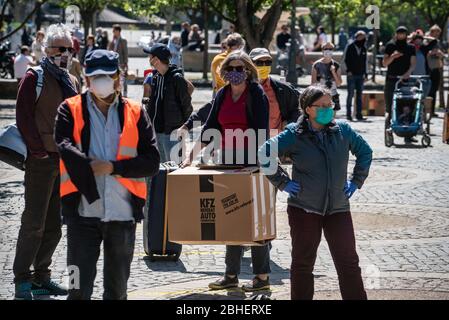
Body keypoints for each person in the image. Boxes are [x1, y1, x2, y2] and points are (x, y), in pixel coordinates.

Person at [54, 49, 160, 300]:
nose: (100, 80)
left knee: (117, 291)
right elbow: (64, 147)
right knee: (76, 288)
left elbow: (152, 161)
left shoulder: (135, 112)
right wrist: (91, 173)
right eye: (95, 75)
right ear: (87, 78)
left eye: (107, 74)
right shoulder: (69, 108)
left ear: (117, 77)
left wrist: (113, 167)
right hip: (81, 214)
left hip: (122, 217)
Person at [258, 84, 372, 300]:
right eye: (321, 106)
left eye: (330, 105)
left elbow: (365, 152)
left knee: (348, 262)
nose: (328, 109)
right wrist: (282, 182)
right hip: (303, 209)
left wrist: (356, 181)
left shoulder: (343, 131)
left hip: (338, 208)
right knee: (302, 263)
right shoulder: (294, 133)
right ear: (308, 109)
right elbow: (264, 153)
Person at [181, 51, 270, 292]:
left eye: (240, 68)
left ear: (248, 71)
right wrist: (191, 156)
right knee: (231, 216)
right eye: (231, 68)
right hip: (227, 161)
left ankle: (261, 276)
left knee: (255, 220)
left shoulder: (256, 95)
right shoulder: (222, 94)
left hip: (252, 163)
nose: (236, 72)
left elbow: (262, 131)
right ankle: (230, 275)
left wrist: (258, 164)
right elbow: (210, 127)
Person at [14, 23, 80, 300]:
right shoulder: (34, 77)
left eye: (69, 49)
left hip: (64, 161)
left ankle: (43, 276)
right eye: (60, 48)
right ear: (47, 49)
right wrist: (38, 150)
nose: (65, 53)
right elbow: (23, 117)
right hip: (41, 161)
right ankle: (22, 281)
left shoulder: (71, 80)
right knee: (34, 223)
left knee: (54, 225)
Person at [144, 43, 193, 162]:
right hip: (157, 131)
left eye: (150, 57)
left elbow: (187, 105)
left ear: (156, 60)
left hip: (172, 132)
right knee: (160, 171)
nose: (149, 60)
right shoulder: (155, 77)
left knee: (174, 168)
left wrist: (183, 126)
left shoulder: (176, 78)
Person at [249, 47, 301, 136]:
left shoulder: (282, 88)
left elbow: (298, 110)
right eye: (259, 63)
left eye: (268, 63)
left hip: (274, 138)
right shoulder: (241, 88)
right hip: (249, 140)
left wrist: (288, 123)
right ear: (250, 65)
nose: (264, 66)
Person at [383, 26, 416, 143]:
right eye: (399, 33)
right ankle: (388, 133)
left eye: (403, 33)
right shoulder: (390, 46)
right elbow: (384, 63)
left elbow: (413, 64)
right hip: (391, 81)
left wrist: (407, 74)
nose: (401, 35)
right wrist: (393, 56)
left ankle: (408, 134)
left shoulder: (410, 47)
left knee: (407, 107)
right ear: (396, 34)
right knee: (390, 108)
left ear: (406, 35)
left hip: (405, 82)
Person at [344, 30, 368, 121]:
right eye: (362, 37)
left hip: (360, 75)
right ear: (357, 37)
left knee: (359, 95)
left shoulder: (364, 48)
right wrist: (348, 71)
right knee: (350, 94)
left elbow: (365, 62)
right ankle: (348, 115)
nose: (363, 39)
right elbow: (345, 59)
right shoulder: (350, 47)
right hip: (351, 75)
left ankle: (359, 114)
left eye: (364, 37)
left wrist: (366, 73)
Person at [311, 42, 342, 112]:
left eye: (330, 49)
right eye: (326, 49)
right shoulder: (316, 65)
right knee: (321, 117)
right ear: (322, 50)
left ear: (333, 50)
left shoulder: (336, 65)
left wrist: (333, 72)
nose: (328, 50)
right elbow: (313, 83)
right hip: (321, 95)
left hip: (333, 95)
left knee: (333, 119)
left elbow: (339, 84)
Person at [410, 31, 434, 99]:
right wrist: (411, 37)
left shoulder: (424, 49)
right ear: (413, 41)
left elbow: (435, 41)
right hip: (411, 78)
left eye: (420, 42)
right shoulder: (409, 49)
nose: (418, 43)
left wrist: (424, 37)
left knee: (422, 98)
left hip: (423, 77)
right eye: (416, 41)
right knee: (412, 97)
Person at [427, 24, 444, 117]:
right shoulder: (426, 41)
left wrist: (440, 54)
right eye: (435, 33)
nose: (437, 35)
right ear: (431, 32)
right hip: (429, 69)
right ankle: (427, 110)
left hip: (436, 68)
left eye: (438, 33)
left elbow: (442, 54)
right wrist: (431, 53)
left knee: (434, 90)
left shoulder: (437, 42)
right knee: (428, 90)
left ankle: (432, 111)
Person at [108, 24, 129, 96]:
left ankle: (125, 93)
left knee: (123, 77)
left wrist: (125, 62)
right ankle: (116, 92)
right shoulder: (113, 40)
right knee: (115, 77)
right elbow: (109, 50)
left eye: (114, 31)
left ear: (118, 31)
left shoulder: (123, 40)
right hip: (113, 62)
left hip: (121, 62)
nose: (113, 32)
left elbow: (125, 52)